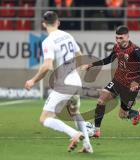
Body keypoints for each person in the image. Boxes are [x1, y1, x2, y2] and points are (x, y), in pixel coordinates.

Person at [24, 11, 93, 153]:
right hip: (75, 80)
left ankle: (74, 134)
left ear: (44, 24)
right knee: (74, 111)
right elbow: (80, 56)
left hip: (64, 83)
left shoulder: (48, 42)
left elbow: (47, 66)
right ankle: (87, 146)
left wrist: (33, 80)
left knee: (45, 119)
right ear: (58, 22)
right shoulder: (68, 35)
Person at [82, 25, 140, 138]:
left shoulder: (135, 50)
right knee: (101, 100)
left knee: (122, 115)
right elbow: (109, 59)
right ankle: (96, 130)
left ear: (127, 37)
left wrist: (136, 81)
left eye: (121, 38)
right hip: (117, 81)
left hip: (130, 86)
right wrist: (92, 65)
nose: (118, 41)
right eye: (117, 38)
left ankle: (135, 113)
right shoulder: (117, 47)